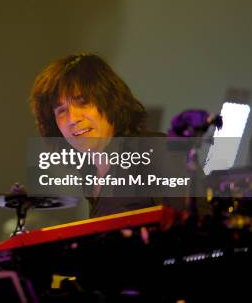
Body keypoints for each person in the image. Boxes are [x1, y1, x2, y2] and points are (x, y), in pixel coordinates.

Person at [29, 52, 165, 217]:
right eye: (62, 111)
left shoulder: (156, 149)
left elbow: (196, 225)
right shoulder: (89, 173)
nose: (73, 119)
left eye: (83, 102)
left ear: (111, 100)